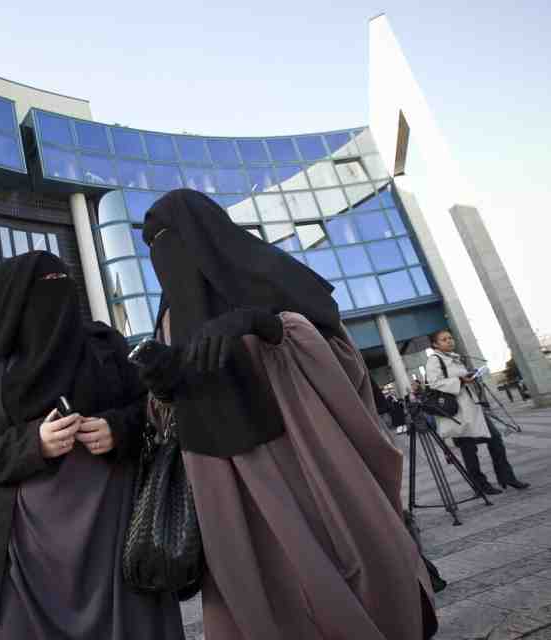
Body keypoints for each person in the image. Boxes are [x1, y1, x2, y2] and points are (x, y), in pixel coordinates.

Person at [136, 189, 436, 640]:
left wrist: (266, 325)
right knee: (265, 595)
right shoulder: (168, 319)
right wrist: (161, 385)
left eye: (167, 237)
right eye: (152, 244)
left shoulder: (269, 277)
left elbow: (345, 363)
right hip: (224, 479)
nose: (163, 253)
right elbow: (170, 414)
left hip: (306, 455)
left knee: (354, 564)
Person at [0, 251, 184, 640]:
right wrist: (34, 443)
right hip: (23, 542)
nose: (56, 295)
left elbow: (146, 407)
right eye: (42, 287)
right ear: (14, 300)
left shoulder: (105, 344)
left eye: (62, 284)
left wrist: (117, 428)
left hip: (115, 528)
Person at [426, 329, 529, 494]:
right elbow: (434, 383)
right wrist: (460, 380)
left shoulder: (455, 357)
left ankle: (506, 477)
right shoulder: (434, 360)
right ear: (435, 344)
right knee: (469, 450)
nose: (450, 341)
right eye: (444, 339)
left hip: (472, 407)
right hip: (458, 412)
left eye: (450, 338)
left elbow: (459, 379)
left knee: (495, 438)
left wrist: (470, 377)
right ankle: (481, 485)